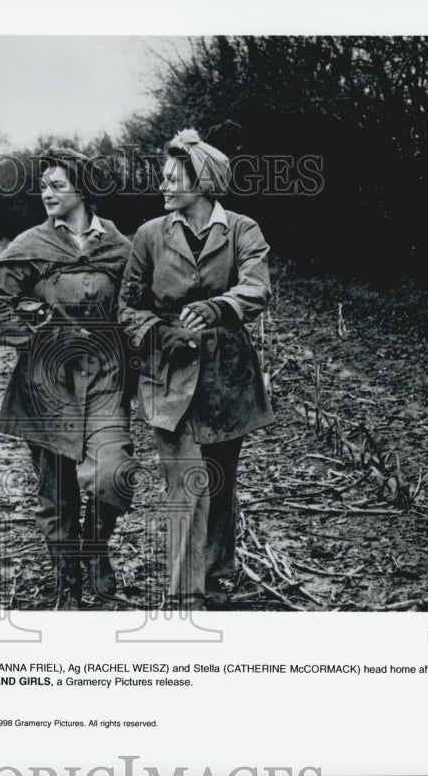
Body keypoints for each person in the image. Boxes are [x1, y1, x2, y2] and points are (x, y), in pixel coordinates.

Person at [118, 129, 274, 610]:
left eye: (172, 177)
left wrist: (218, 307)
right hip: (169, 375)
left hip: (228, 377)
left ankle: (213, 572)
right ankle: (186, 595)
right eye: (162, 177)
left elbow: (257, 287)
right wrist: (160, 335)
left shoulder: (243, 230)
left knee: (220, 478)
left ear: (202, 182)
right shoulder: (149, 235)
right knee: (187, 481)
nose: (163, 185)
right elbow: (129, 306)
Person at [0, 147, 135, 609]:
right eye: (42, 186)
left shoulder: (119, 247)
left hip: (106, 376)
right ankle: (67, 580)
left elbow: (138, 302)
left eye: (56, 185)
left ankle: (95, 543)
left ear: (82, 190)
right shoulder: (31, 245)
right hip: (47, 383)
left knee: (114, 473)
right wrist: (32, 340)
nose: (45, 193)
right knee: (57, 491)